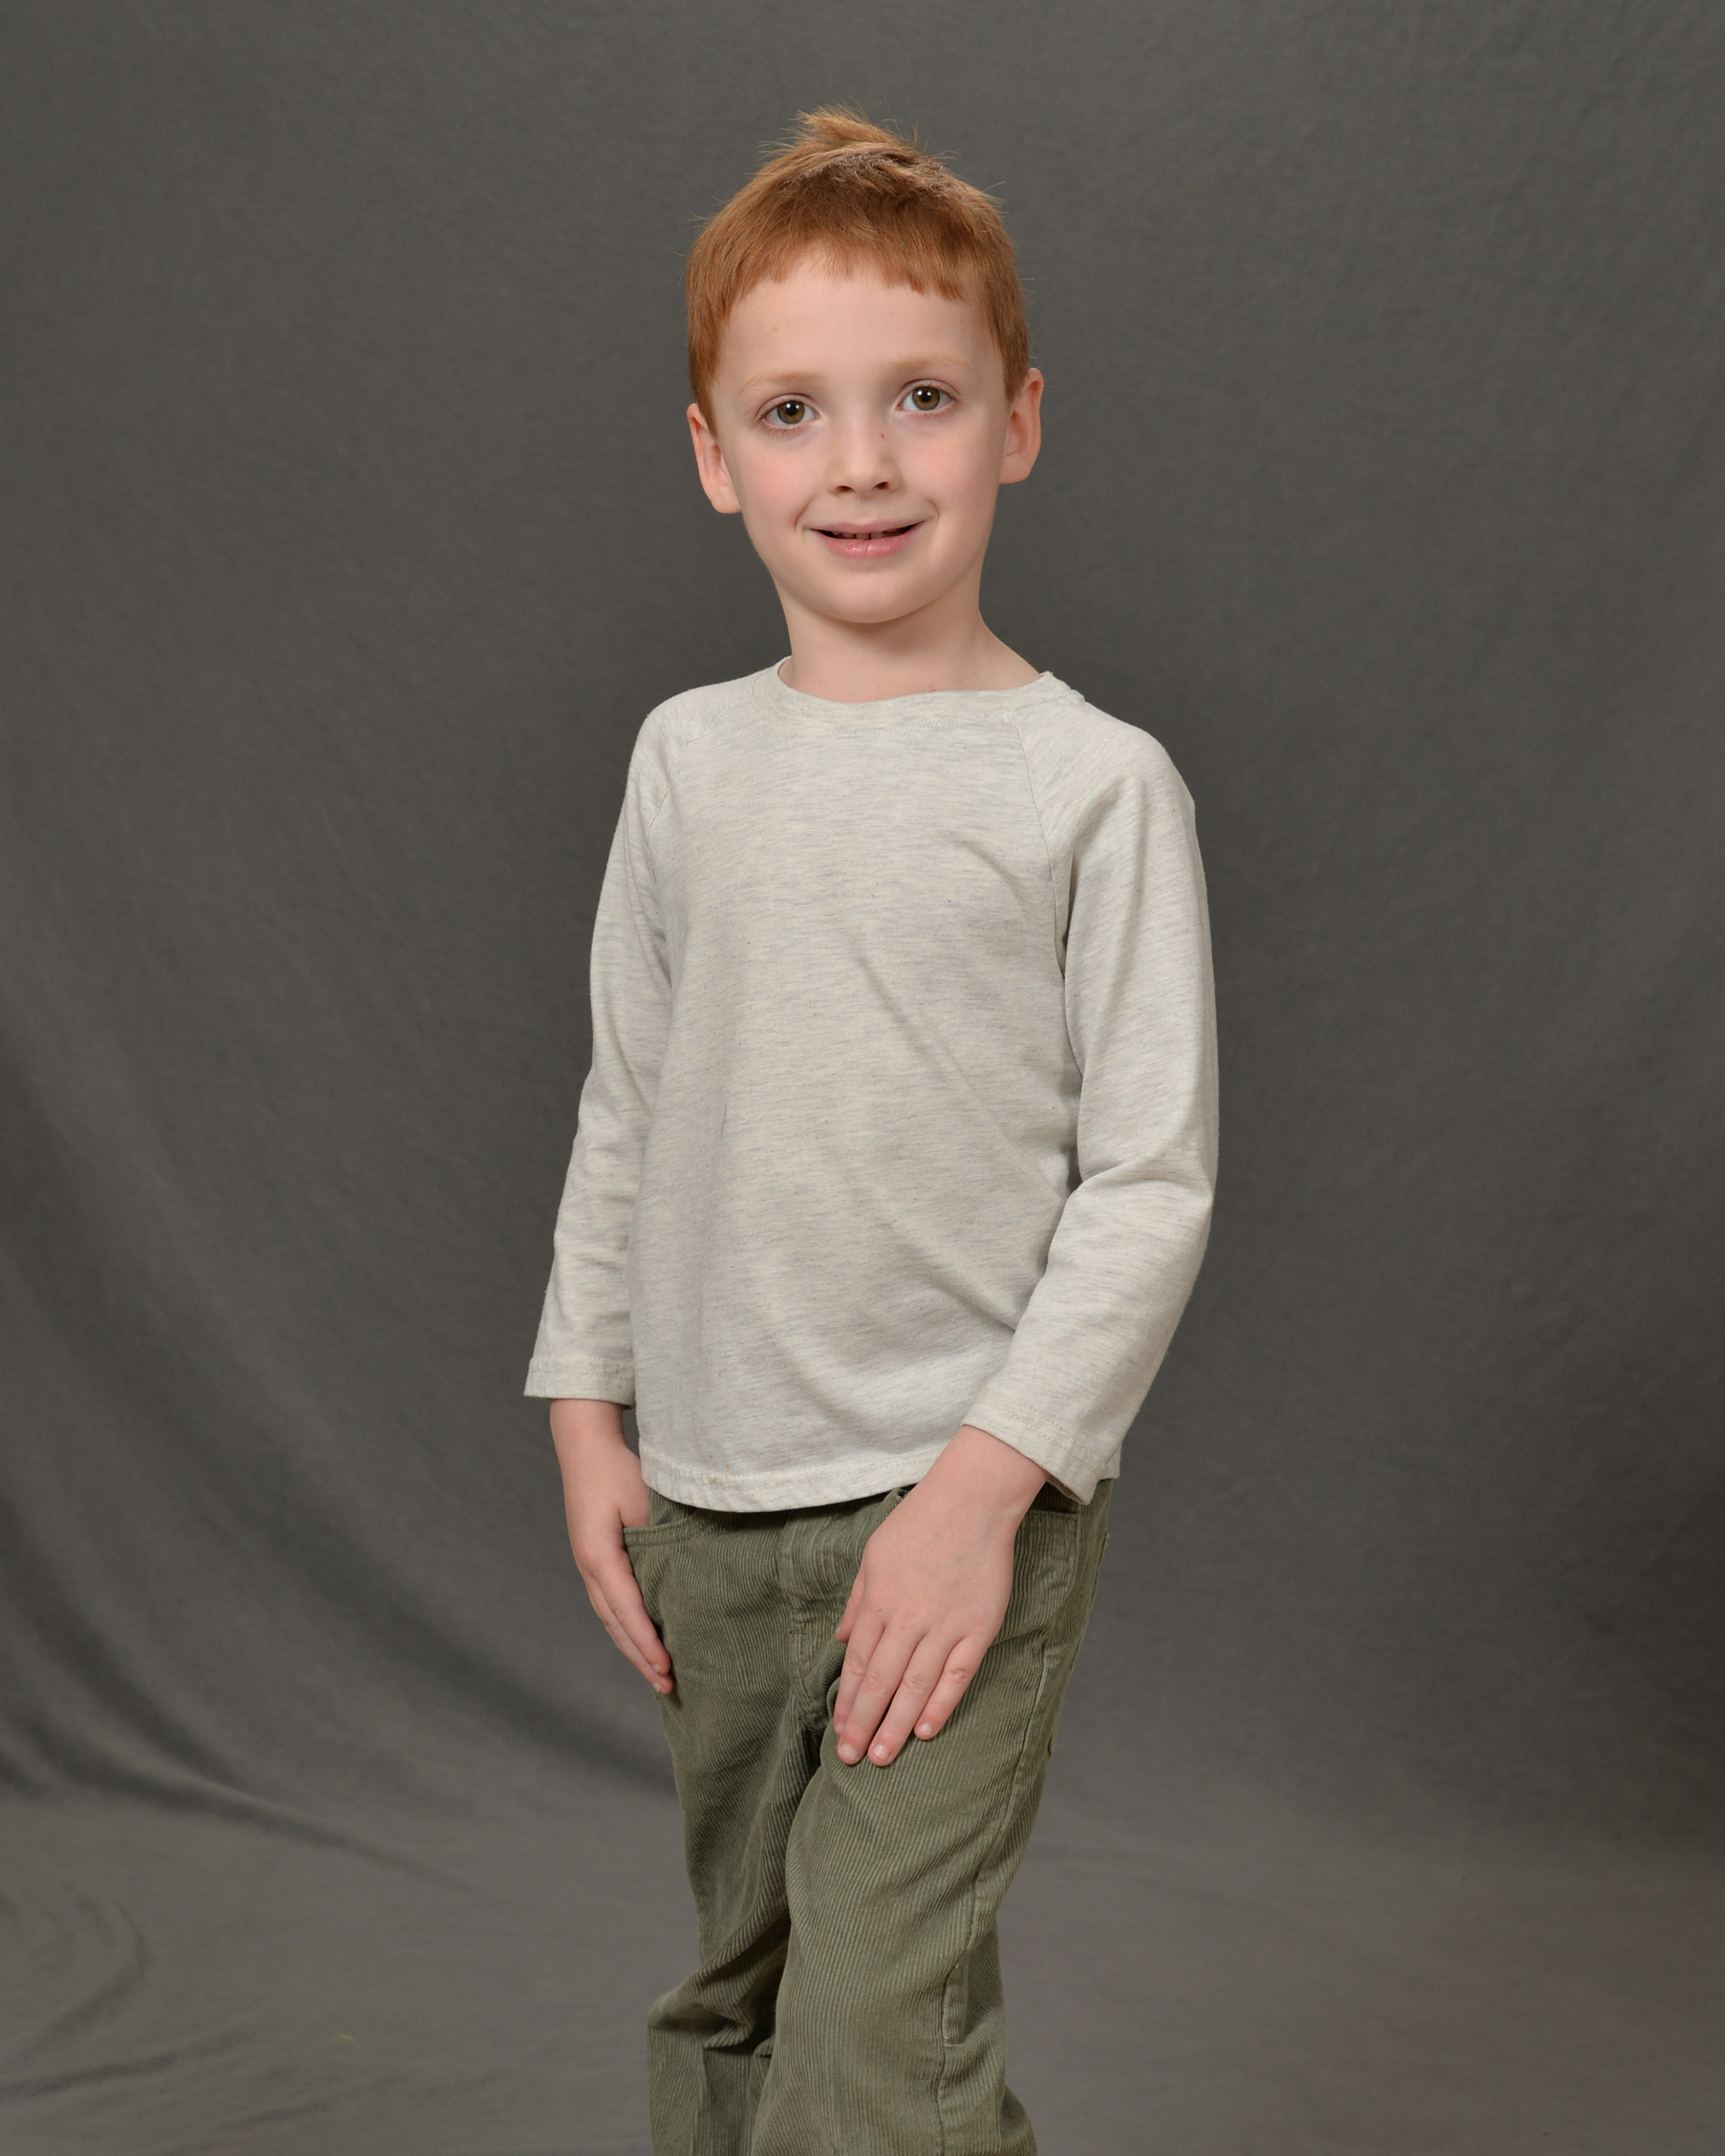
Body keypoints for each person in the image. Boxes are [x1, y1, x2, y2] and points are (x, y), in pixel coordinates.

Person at [526, 107, 1218, 2156]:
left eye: (922, 397)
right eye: (794, 411)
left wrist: (983, 1494)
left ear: (1018, 422)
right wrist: (585, 1408)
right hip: (713, 1502)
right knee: (742, 1996)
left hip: (957, 1502)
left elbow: (1150, 1187)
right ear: (712, 455)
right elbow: (630, 1097)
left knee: (873, 2028)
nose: (862, 463)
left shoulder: (1095, 787)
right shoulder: (687, 762)